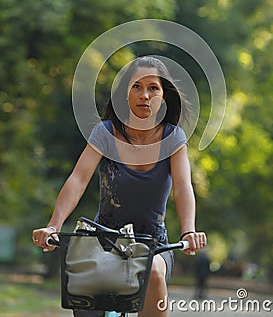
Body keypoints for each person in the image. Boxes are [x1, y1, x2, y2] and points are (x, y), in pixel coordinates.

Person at [32, 56, 207, 317]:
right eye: (136, 86)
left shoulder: (173, 138)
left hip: (153, 245)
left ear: (164, 96)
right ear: (124, 94)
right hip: (102, 244)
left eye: (153, 88)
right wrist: (53, 226)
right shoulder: (105, 133)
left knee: (154, 270)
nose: (144, 95)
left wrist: (188, 230)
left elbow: (182, 187)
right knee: (85, 301)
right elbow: (78, 180)